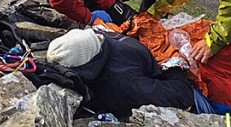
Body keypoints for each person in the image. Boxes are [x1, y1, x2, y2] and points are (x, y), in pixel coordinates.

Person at [46, 28, 195, 118]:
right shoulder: (122, 83)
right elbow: (182, 95)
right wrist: (174, 66)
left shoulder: (98, 36)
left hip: (145, 65)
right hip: (157, 73)